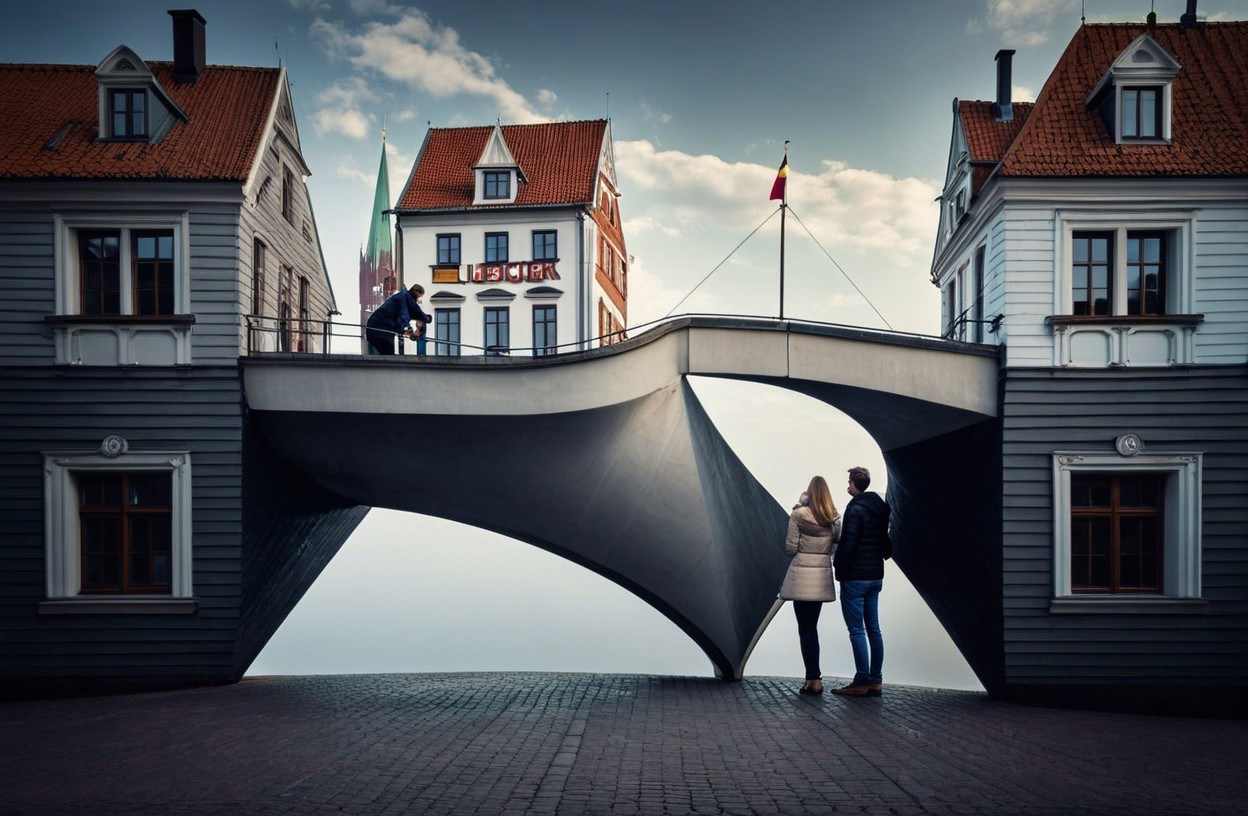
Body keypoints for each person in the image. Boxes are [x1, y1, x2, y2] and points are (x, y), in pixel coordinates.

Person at [777, 475, 841, 695]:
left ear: (809, 492)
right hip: (821, 577)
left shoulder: (798, 514)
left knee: (805, 629)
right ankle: (815, 679)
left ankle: (813, 680)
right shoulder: (833, 518)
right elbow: (835, 544)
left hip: (801, 577)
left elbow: (790, 548)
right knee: (812, 627)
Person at [832, 466, 892, 697]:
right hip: (876, 575)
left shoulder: (855, 509)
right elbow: (886, 542)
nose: (847, 486)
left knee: (857, 630)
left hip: (855, 577)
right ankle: (875, 680)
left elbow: (849, 543)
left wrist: (839, 568)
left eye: (849, 482)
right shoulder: (880, 508)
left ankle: (861, 680)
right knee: (874, 629)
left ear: (856, 484)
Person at [366, 284, 432, 356]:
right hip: (381, 330)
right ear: (417, 293)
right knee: (389, 355)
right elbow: (404, 316)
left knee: (387, 354)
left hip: (376, 328)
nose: (419, 299)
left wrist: (403, 330)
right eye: (420, 296)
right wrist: (402, 330)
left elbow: (412, 313)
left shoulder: (404, 297)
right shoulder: (405, 300)